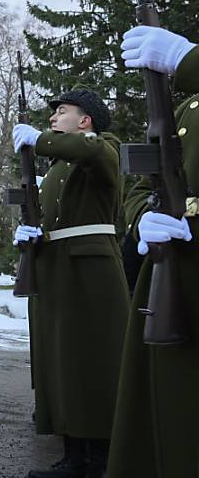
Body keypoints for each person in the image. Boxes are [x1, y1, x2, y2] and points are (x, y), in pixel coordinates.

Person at [12, 87, 129, 478]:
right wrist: (33, 233)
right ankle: (73, 452)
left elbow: (92, 153)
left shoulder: (103, 147)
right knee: (62, 362)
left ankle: (100, 456)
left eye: (61, 112)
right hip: (57, 264)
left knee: (94, 361)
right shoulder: (60, 166)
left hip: (90, 266)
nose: (52, 118)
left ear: (86, 120)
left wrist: (40, 141)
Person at [106, 26, 199, 478]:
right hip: (172, 270)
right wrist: (145, 213)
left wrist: (188, 60)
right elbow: (146, 181)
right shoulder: (184, 109)